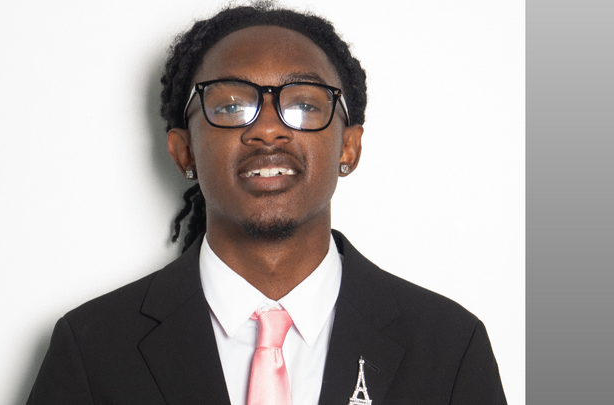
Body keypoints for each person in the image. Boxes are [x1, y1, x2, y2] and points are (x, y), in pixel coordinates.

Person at [26, 3, 507, 404]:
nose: (268, 129)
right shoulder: (92, 348)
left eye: (305, 104)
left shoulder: (449, 347)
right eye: (231, 105)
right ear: (183, 150)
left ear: (349, 147)